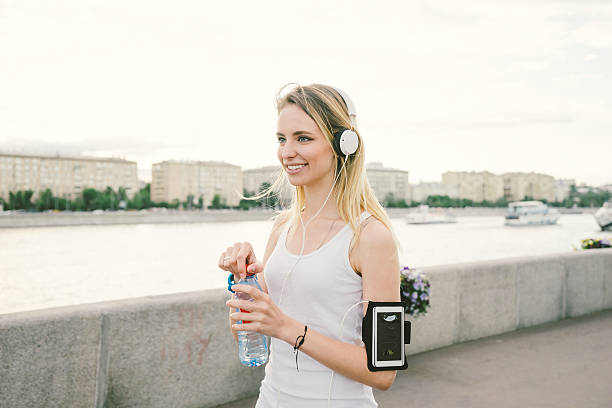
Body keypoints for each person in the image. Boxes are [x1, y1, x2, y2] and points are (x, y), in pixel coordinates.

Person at [218, 83, 401, 407]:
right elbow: (248, 330)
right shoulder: (282, 227)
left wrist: (287, 327)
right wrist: (243, 282)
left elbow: (383, 371)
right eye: (281, 139)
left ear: (343, 144)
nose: (287, 151)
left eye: (303, 138)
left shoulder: (372, 237)